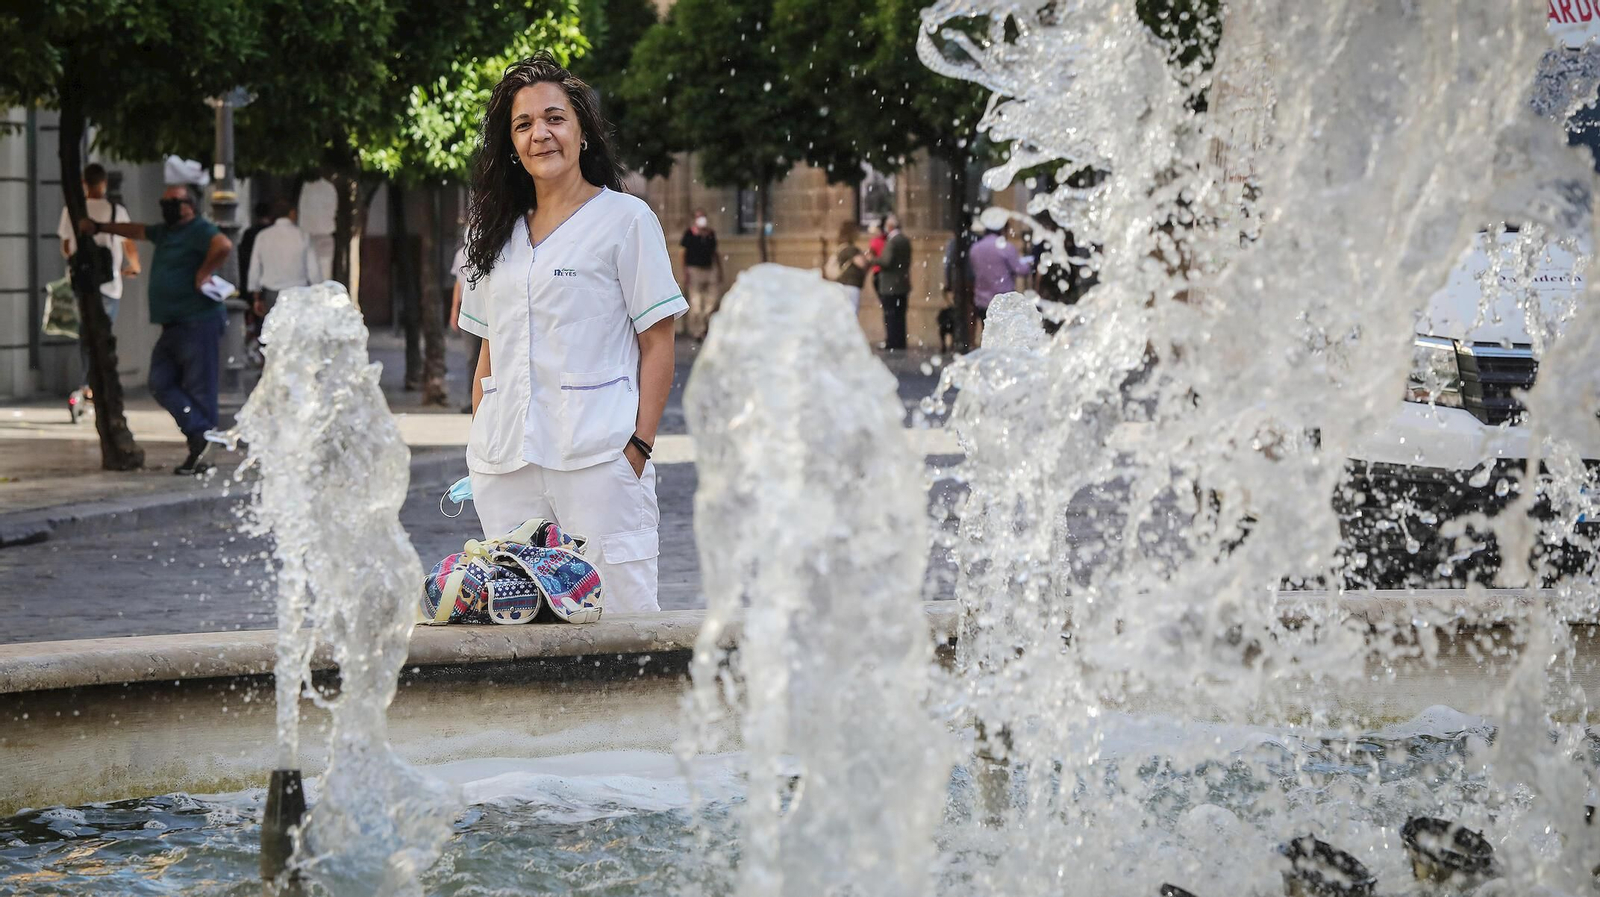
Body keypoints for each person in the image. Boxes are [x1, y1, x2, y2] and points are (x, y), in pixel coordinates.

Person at [457, 52, 686, 614]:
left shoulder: (625, 221)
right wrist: (482, 427)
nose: (541, 134)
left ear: (582, 131)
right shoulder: (492, 233)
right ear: (511, 144)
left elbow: (657, 342)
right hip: (505, 466)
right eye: (524, 124)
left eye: (555, 118)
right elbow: (489, 347)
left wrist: (636, 450)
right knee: (522, 627)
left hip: (598, 460)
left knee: (622, 622)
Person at [82, 184, 232, 475]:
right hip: (174, 325)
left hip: (197, 321)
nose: (167, 207)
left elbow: (223, 245)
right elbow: (137, 230)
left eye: (173, 202)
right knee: (160, 382)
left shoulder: (200, 229)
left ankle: (203, 452)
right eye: (164, 201)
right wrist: (100, 226)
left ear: (189, 205)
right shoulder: (166, 232)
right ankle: (201, 434)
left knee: (200, 389)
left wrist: (203, 274)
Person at [56, 163, 139, 415]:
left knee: (86, 335)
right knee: (103, 335)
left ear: (84, 183)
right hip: (109, 284)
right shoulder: (116, 210)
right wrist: (134, 265)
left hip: (81, 284)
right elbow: (128, 243)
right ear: (103, 183)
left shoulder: (72, 211)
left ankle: (85, 386)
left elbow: (66, 248)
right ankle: (97, 386)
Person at [246, 199, 320, 322]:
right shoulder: (302, 236)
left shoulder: (263, 236)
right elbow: (313, 270)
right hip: (299, 293)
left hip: (271, 294)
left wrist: (256, 297)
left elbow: (255, 269)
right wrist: (318, 292)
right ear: (291, 213)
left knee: (274, 333)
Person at [969, 207, 1034, 345]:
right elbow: (1020, 270)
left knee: (988, 335)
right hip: (1003, 301)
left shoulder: (975, 248)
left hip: (982, 301)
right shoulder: (1006, 247)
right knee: (1003, 339)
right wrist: (1031, 263)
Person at [864, 213, 912, 350]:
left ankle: (893, 342)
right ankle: (900, 341)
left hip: (890, 285)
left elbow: (886, 261)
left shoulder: (893, 241)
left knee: (891, 316)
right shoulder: (904, 240)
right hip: (902, 283)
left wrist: (872, 259)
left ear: (890, 226)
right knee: (900, 316)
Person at [678, 208, 723, 340]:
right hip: (694, 270)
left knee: (712, 301)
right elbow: (682, 253)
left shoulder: (710, 234)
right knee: (696, 303)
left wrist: (719, 270)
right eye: (699, 217)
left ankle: (706, 327)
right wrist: (685, 272)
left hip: (710, 269)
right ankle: (697, 331)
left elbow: (715, 253)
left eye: (703, 216)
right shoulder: (689, 234)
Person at [448, 231, 478, 413]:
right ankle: (472, 398)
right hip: (468, 311)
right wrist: (454, 310)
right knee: (471, 357)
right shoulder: (460, 255)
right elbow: (458, 283)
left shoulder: (489, 249)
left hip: (485, 310)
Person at [828, 220, 868, 310]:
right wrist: (868, 259)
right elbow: (862, 263)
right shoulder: (851, 249)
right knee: (852, 314)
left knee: (845, 313)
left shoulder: (841, 247)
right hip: (851, 285)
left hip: (842, 284)